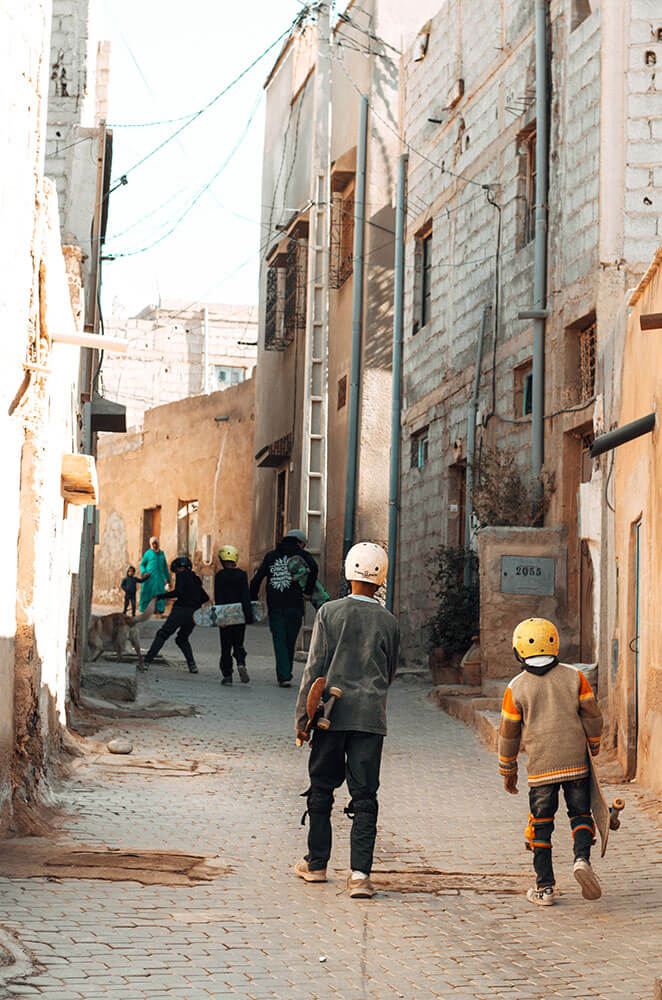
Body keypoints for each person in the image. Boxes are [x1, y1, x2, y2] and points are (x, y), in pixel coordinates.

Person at [294, 542, 399, 899]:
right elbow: (390, 671)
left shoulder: (329, 612)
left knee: (321, 788)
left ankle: (317, 864)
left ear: (347, 571)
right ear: (381, 577)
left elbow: (314, 671)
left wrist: (301, 720)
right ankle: (360, 876)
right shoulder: (388, 621)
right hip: (370, 719)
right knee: (365, 795)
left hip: (328, 717)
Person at [498, 617, 604, 907]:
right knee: (581, 815)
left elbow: (508, 734)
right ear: (555, 643)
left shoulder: (515, 687)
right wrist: (593, 746)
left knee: (541, 824)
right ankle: (582, 858)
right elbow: (592, 716)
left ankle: (544, 888)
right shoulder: (575, 677)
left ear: (518, 650)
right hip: (576, 763)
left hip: (541, 769)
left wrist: (508, 769)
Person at [250, 529, 318, 687]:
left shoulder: (271, 556)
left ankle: (284, 675)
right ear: (300, 543)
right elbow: (314, 568)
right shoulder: (303, 556)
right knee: (290, 640)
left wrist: (253, 600)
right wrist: (308, 592)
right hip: (295, 605)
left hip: (275, 604)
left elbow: (257, 579)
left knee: (279, 639)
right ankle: (286, 673)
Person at [144, 556, 209, 673]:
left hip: (181, 609)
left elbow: (178, 592)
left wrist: (160, 596)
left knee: (163, 634)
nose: (176, 573)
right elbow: (205, 597)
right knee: (182, 639)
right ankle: (192, 665)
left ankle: (146, 662)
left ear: (180, 568)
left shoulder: (181, 575)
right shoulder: (195, 579)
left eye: (176, 570)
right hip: (194, 613)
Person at [214, 544, 253, 686]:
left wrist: (220, 618)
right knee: (238, 643)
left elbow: (218, 598)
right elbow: (245, 596)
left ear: (222, 560)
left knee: (225, 647)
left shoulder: (219, 576)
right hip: (239, 617)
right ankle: (241, 663)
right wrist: (248, 616)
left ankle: (228, 676)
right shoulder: (242, 575)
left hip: (225, 617)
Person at [139, 537, 170, 614]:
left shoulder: (162, 554)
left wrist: (167, 579)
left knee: (159, 593)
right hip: (149, 578)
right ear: (151, 544)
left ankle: (159, 610)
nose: (155, 545)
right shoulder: (148, 553)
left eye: (156, 543)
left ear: (158, 544)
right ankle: (145, 610)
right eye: (153, 543)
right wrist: (144, 572)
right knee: (147, 593)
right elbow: (142, 564)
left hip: (159, 578)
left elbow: (165, 567)